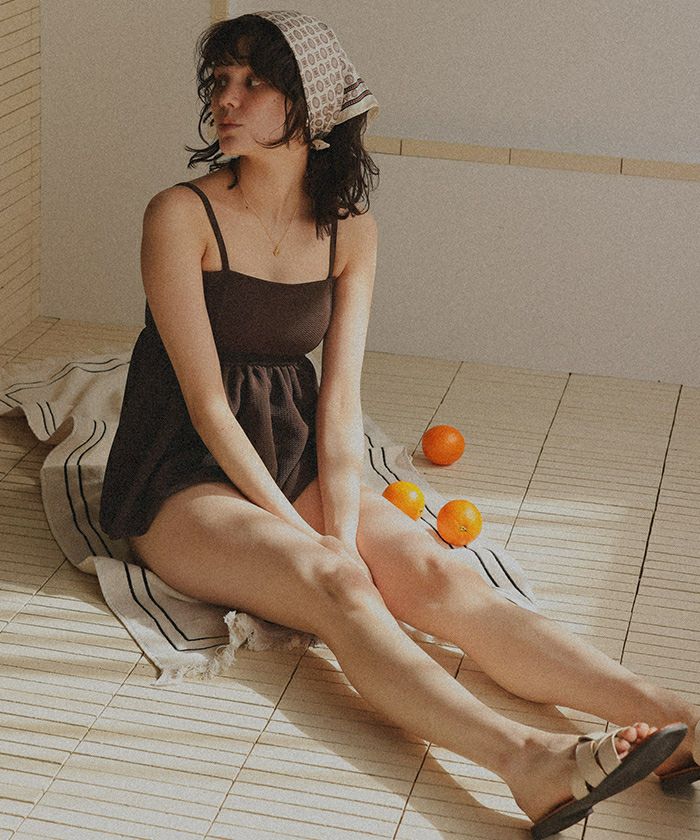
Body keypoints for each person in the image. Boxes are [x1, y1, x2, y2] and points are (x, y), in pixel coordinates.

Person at [98, 10, 699, 838]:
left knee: (439, 574)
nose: (225, 100)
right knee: (337, 583)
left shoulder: (351, 230)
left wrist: (340, 524)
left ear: (310, 106)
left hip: (290, 452)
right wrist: (316, 543)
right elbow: (205, 405)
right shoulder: (179, 215)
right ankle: (528, 762)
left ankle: (672, 720)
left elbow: (340, 402)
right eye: (220, 82)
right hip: (182, 474)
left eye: (252, 83)